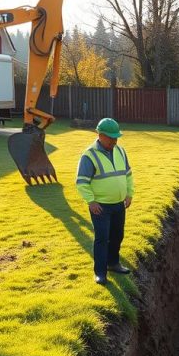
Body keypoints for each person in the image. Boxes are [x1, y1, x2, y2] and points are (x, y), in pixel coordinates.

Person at [75, 117, 134, 285]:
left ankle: (113, 263)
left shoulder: (120, 151)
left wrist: (129, 193)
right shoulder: (89, 156)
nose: (114, 141)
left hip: (119, 204)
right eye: (111, 137)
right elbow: (81, 182)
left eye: (116, 137)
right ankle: (100, 272)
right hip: (100, 207)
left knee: (117, 235)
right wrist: (91, 201)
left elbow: (128, 175)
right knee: (102, 239)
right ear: (100, 135)